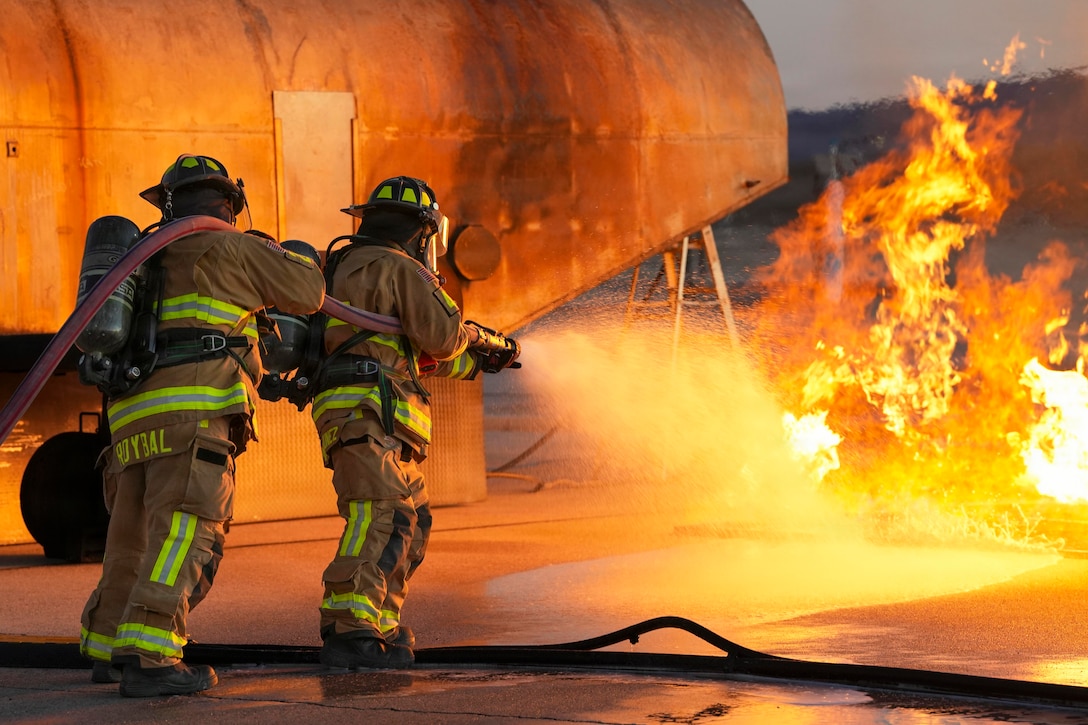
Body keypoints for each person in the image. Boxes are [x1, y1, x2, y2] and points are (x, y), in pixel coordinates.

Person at [78, 154, 326, 696]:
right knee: (186, 533)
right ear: (230, 203)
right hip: (193, 413)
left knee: (131, 540)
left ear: (166, 203)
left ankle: (107, 649)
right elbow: (308, 293)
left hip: (130, 422)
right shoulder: (231, 245)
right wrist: (281, 251)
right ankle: (152, 657)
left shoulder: (142, 256)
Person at [311, 176, 519, 669]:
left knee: (411, 518)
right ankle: (349, 630)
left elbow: (408, 354)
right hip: (368, 413)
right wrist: (478, 338)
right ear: (422, 230)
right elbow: (444, 337)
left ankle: (379, 621)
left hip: (369, 414)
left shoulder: (343, 267)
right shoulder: (400, 267)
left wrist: (480, 363)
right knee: (382, 515)